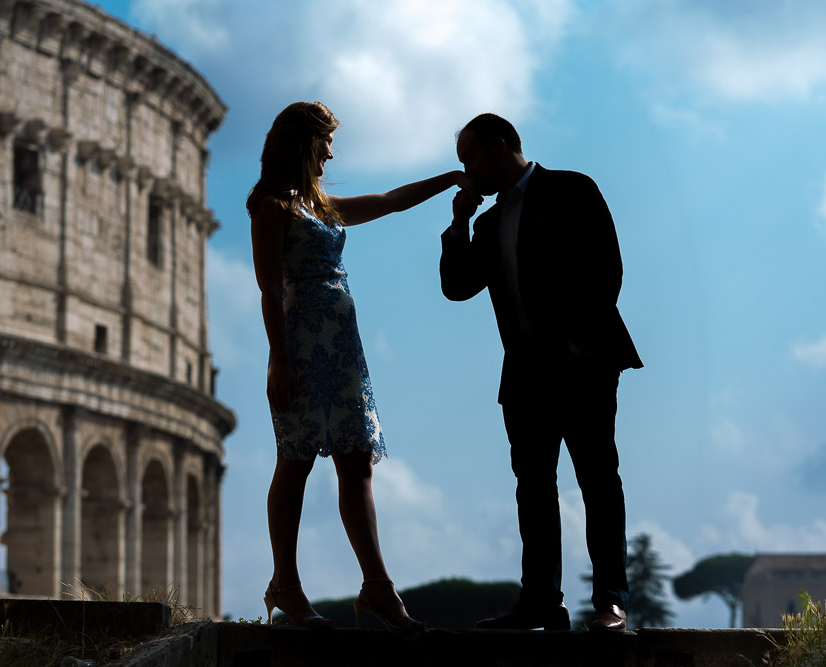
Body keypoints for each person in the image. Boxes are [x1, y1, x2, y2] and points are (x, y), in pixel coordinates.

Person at [248, 101, 468, 630]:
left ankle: (377, 587)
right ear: (304, 143)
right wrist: (279, 359)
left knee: (356, 459)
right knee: (296, 459)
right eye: (325, 141)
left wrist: (450, 179)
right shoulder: (271, 206)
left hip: (342, 347)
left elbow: (390, 201)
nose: (330, 151)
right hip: (300, 344)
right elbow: (267, 288)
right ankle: (286, 584)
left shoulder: (319, 204)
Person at [440, 113, 642, 631]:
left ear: (501, 144)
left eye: (471, 158)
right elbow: (458, 285)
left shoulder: (572, 189)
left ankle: (610, 603)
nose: (468, 171)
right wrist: (459, 222)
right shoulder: (487, 223)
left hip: (583, 364)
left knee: (597, 480)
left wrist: (575, 345)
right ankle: (540, 602)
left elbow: (607, 270)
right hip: (525, 376)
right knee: (533, 486)